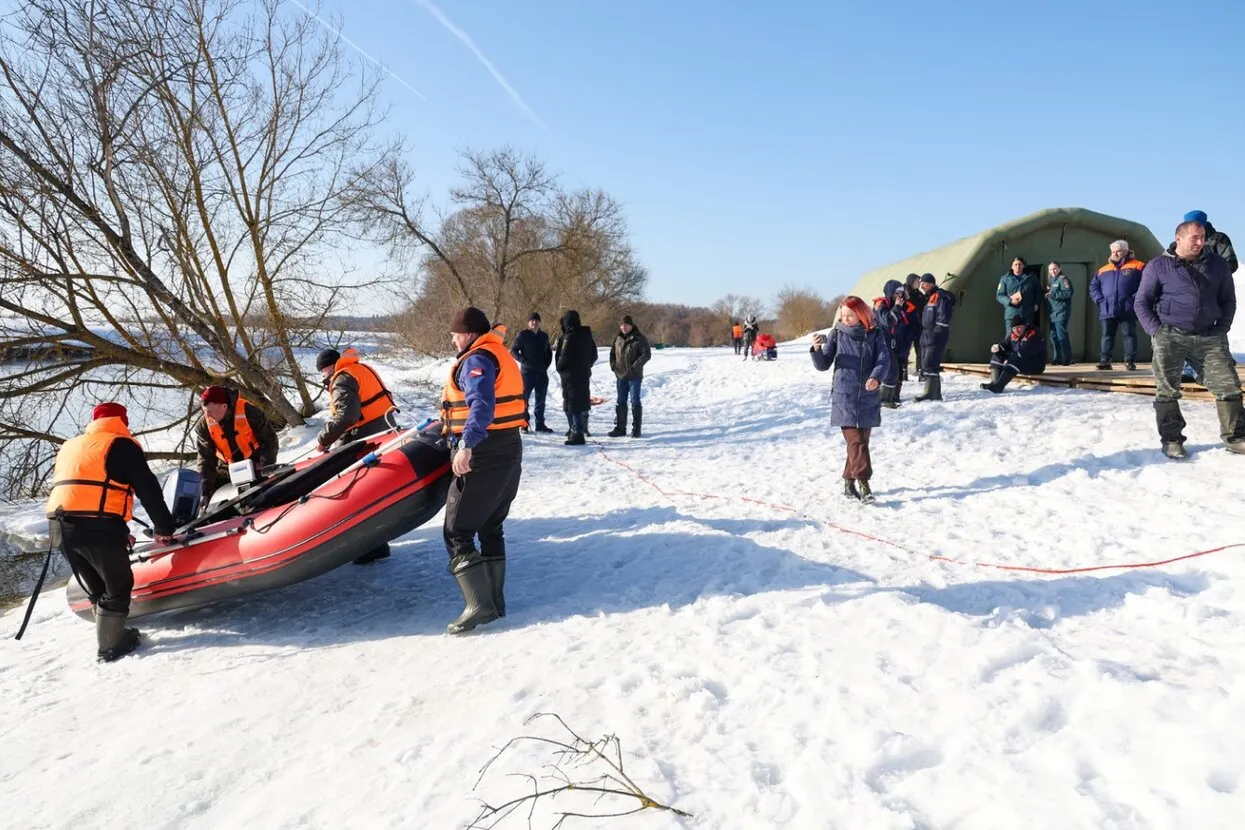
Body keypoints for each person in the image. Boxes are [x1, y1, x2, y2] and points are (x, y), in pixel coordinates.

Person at [44, 402, 176, 662]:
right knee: (117, 586)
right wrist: (165, 529)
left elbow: (83, 491)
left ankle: (110, 635)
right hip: (97, 527)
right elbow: (149, 491)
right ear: (123, 422)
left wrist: (118, 529)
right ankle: (110, 648)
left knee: (97, 585)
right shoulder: (121, 445)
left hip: (59, 528)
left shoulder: (71, 446)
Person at [439, 307, 526, 633]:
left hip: (484, 452)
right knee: (491, 524)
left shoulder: (476, 360)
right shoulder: (497, 354)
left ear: (470, 333)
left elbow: (482, 405)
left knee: (456, 530)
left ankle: (478, 605)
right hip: (509, 447)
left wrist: (467, 444)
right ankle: (494, 602)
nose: (452, 339)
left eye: (455, 333)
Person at [1135, 221, 1243, 459]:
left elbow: (1228, 300)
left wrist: (1221, 329)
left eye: (1202, 237)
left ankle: (1236, 437)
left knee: (1228, 385)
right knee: (1167, 390)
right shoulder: (1159, 266)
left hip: (1209, 336)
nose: (1199, 242)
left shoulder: (1218, 265)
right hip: (1170, 336)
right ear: (1179, 238)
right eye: (1194, 237)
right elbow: (1141, 302)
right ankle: (1172, 440)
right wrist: (1157, 331)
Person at [315, 347, 398, 564]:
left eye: (323, 371)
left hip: (368, 439)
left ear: (329, 367)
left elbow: (347, 417)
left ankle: (369, 547)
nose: (323, 376)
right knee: (373, 494)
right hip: (385, 432)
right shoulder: (359, 369)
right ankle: (377, 545)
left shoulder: (342, 379)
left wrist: (323, 440)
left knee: (360, 496)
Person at [809, 297, 892, 504]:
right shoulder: (837, 334)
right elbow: (823, 365)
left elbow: (884, 359)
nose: (845, 319)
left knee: (860, 443)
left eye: (849, 315)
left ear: (861, 314)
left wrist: (875, 377)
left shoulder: (875, 334)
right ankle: (864, 483)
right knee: (856, 441)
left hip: (867, 396)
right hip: (844, 396)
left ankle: (848, 482)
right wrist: (817, 350)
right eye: (842, 315)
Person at [1172, 211, 1237, 383]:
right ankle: (1188, 368)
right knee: (1187, 327)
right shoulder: (1181, 241)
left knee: (1213, 327)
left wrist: (1213, 276)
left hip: (1213, 291)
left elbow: (1230, 262)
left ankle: (1218, 365)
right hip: (1188, 293)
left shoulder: (1218, 239)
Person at [194, 385, 279, 511]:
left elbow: (269, 442)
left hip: (256, 464)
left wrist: (265, 467)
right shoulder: (203, 427)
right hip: (228, 469)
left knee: (262, 497)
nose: (208, 415)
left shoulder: (251, 413)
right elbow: (205, 459)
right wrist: (205, 491)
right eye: (205, 411)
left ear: (224, 406)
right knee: (204, 496)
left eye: (210, 411)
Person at [1089, 240, 1144, 371]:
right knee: (1107, 335)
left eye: (1118, 251)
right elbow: (1093, 286)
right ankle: (1104, 361)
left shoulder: (1138, 266)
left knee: (1129, 334)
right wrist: (1099, 300)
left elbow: (1146, 284)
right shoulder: (1103, 270)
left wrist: (1135, 298)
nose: (1115, 254)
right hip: (1107, 307)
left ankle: (1130, 361)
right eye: (1113, 251)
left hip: (1127, 307)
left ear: (1125, 251)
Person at [554, 310, 598, 445]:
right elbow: (594, 355)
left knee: (573, 403)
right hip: (583, 374)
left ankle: (577, 432)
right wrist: (586, 366)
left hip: (570, 375)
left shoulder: (570, 336)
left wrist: (560, 368)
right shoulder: (587, 336)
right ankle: (576, 430)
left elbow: (564, 356)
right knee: (579, 402)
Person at [872, 279, 917, 407]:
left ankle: (891, 396)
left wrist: (907, 340)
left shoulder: (903, 306)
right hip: (881, 343)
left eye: (901, 293)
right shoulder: (880, 305)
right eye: (896, 293)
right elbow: (888, 321)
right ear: (890, 293)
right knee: (891, 371)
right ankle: (884, 399)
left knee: (897, 371)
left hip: (896, 343)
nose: (899, 296)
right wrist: (897, 307)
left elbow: (911, 324)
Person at [509, 312, 554, 434]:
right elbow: (512, 351)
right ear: (528, 323)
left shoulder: (544, 336)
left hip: (541, 373)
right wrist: (524, 361)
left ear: (540, 322)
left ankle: (540, 424)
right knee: (524, 400)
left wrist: (547, 363)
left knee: (541, 400)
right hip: (527, 373)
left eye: (536, 321)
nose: (534, 323)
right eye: (532, 321)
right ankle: (524, 424)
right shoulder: (523, 335)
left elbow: (548, 352)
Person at [608, 314, 652, 438]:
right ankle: (620, 428)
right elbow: (612, 354)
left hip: (634, 376)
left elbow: (646, 354)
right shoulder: (618, 339)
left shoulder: (640, 338)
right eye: (622, 325)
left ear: (631, 326)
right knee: (620, 401)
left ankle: (636, 429)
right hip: (620, 376)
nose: (624, 327)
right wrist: (613, 366)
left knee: (635, 401)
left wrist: (634, 367)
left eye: (626, 325)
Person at [914, 273, 955, 402]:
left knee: (930, 363)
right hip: (927, 333)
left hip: (936, 334)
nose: (921, 287)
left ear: (931, 283)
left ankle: (931, 393)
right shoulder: (930, 298)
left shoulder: (941, 297)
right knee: (926, 364)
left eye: (923, 284)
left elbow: (943, 317)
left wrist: (936, 333)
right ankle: (934, 393)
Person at [981, 323, 1047, 393]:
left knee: (1015, 358)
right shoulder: (1014, 335)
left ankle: (999, 386)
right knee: (998, 354)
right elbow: (1004, 344)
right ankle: (994, 383)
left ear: (1025, 326)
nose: (1016, 330)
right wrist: (998, 347)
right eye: (1014, 328)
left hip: (1035, 366)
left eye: (1019, 328)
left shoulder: (1034, 335)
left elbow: (1025, 353)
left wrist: (1010, 357)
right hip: (1020, 364)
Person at [995, 257, 1041, 335]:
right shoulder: (1005, 279)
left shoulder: (1031, 278)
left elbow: (1039, 292)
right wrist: (1010, 301)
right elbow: (999, 295)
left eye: (1020, 264)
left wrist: (1036, 304)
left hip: (1027, 313)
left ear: (1023, 266)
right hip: (1012, 314)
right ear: (1012, 266)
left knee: (1028, 337)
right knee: (1010, 337)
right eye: (1015, 264)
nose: (1018, 266)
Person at [1045, 263, 1074, 366]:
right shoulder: (1051, 281)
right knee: (1053, 336)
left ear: (1059, 268)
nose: (1053, 271)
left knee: (1062, 335)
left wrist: (1053, 295)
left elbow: (1068, 293)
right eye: (1050, 269)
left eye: (1054, 269)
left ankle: (1067, 358)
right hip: (1052, 313)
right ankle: (1057, 358)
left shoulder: (1063, 280)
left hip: (1061, 312)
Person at [904, 272, 927, 375]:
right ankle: (903, 371)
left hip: (918, 325)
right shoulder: (904, 293)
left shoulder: (919, 295)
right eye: (917, 281)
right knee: (905, 349)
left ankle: (920, 370)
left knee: (920, 348)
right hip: (906, 325)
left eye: (919, 281)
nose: (918, 283)